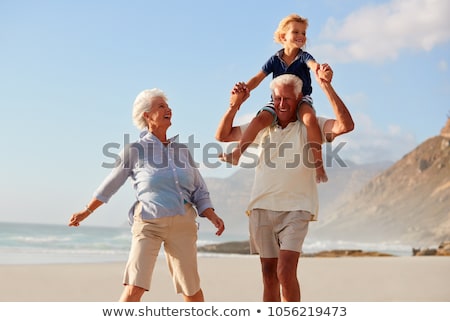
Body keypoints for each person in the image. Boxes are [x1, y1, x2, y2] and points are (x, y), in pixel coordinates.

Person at [68, 88, 225, 302]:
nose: (168, 109)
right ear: (147, 116)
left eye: (168, 106)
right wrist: (87, 210)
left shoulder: (181, 151)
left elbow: (199, 188)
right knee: (135, 287)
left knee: (191, 289)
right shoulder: (134, 150)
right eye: (161, 106)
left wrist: (211, 214)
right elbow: (111, 184)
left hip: (183, 225)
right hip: (149, 223)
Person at [215, 66, 354, 301]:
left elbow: (345, 125)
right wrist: (234, 105)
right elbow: (223, 135)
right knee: (269, 276)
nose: (281, 104)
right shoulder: (263, 127)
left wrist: (326, 86)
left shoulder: (313, 126)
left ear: (299, 98)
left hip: (296, 210)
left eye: (287, 99)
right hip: (261, 208)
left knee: (285, 271)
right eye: (277, 98)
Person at [219, 13, 328, 183]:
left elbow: (313, 65)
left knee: (310, 119)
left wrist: (319, 70)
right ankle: (237, 154)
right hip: (278, 102)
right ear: (283, 36)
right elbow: (258, 78)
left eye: (304, 33)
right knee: (259, 120)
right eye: (296, 32)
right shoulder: (275, 59)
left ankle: (319, 166)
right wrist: (245, 88)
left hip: (302, 99)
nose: (301, 36)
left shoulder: (304, 57)